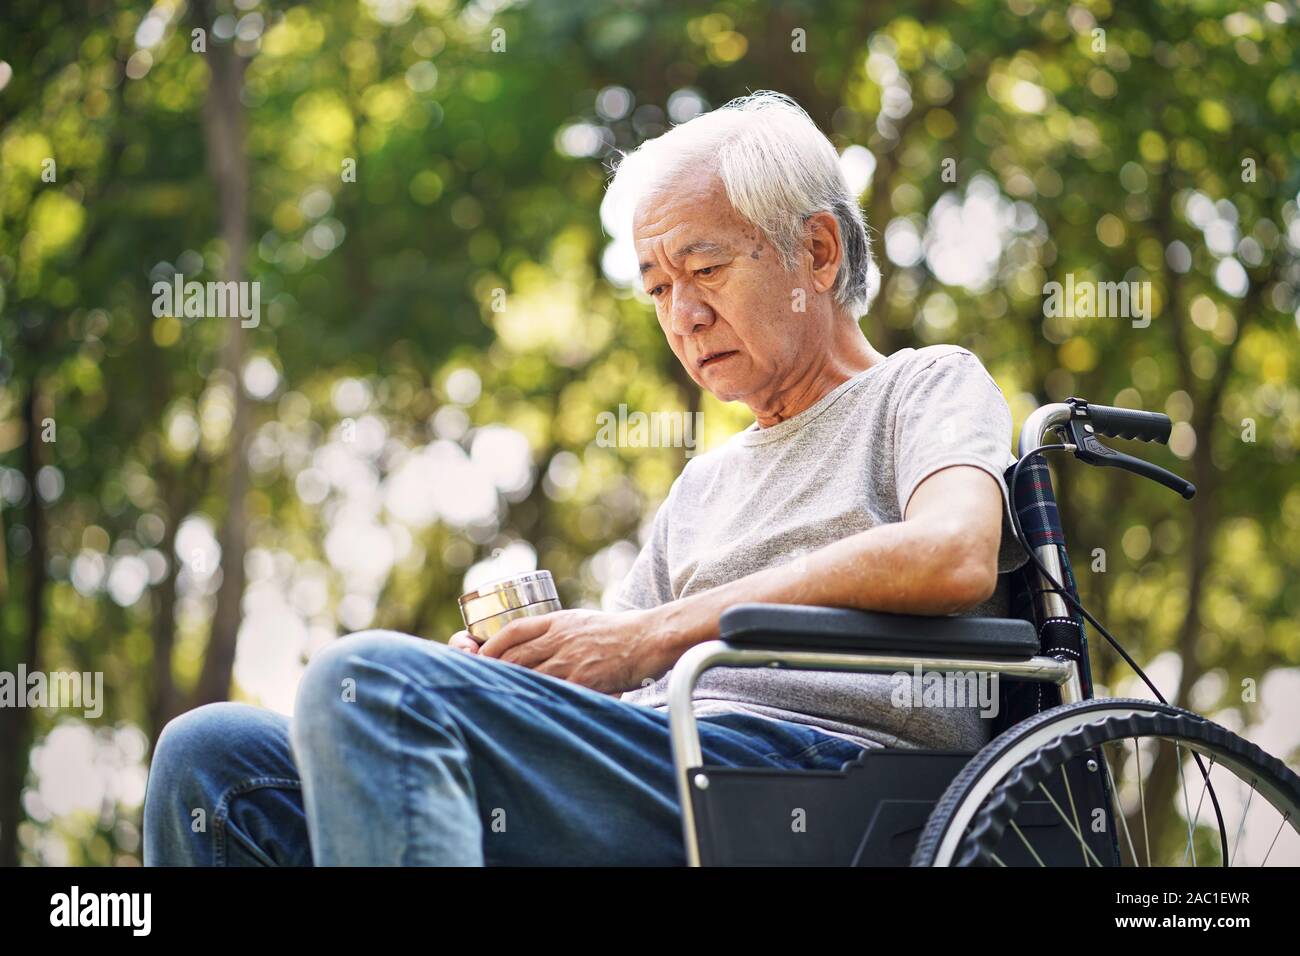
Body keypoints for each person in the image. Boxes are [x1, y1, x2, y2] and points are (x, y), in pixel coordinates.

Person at [143, 91, 1026, 866]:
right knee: (211, 755)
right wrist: (519, 677)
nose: (682, 316)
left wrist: (648, 636)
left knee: (375, 681)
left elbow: (953, 554)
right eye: (657, 289)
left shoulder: (924, 384)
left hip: (826, 777)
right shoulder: (705, 487)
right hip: (670, 762)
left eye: (706, 269)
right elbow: (626, 674)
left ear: (819, 253)